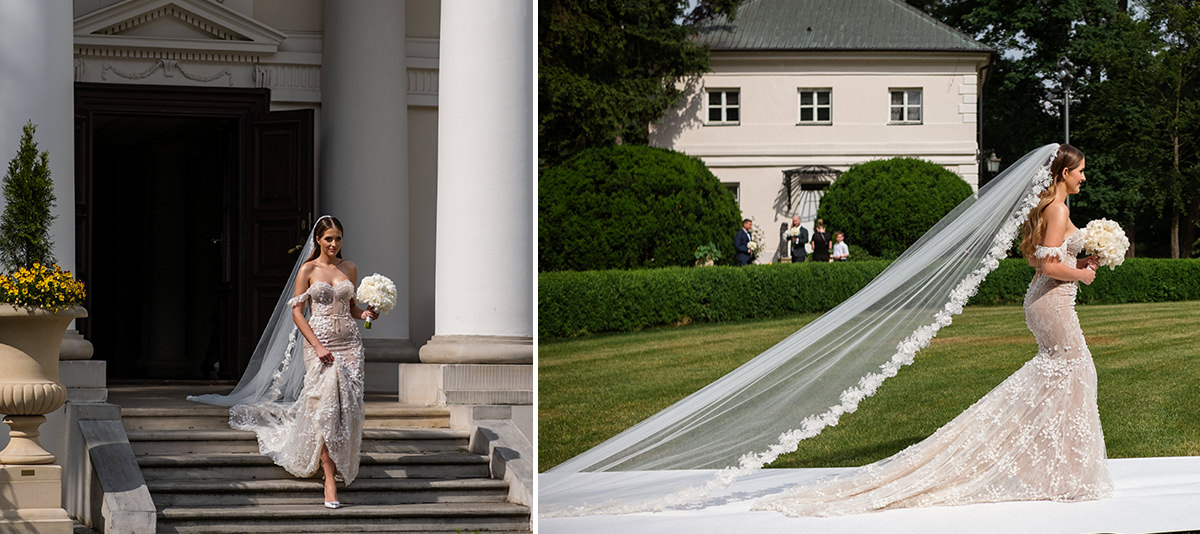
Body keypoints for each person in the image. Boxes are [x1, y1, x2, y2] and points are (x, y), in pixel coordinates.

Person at [753, 144, 1111, 516]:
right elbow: (1049, 268)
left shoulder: (1051, 208)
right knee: (1076, 369)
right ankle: (1061, 470)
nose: (1084, 177)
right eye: (1080, 170)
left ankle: (1056, 468)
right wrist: (1083, 274)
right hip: (1052, 303)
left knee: (1061, 376)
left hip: (1045, 303)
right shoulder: (1057, 208)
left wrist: (1078, 259)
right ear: (1064, 173)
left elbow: (1046, 257)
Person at [208, 216, 377, 510]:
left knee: (345, 409)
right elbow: (298, 313)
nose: (334, 244)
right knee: (325, 408)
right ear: (318, 241)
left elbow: (351, 308)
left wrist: (366, 315)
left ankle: (338, 459)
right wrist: (317, 345)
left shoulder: (350, 268)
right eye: (329, 239)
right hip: (320, 346)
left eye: (338, 238)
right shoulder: (308, 270)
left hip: (350, 346)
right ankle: (329, 479)